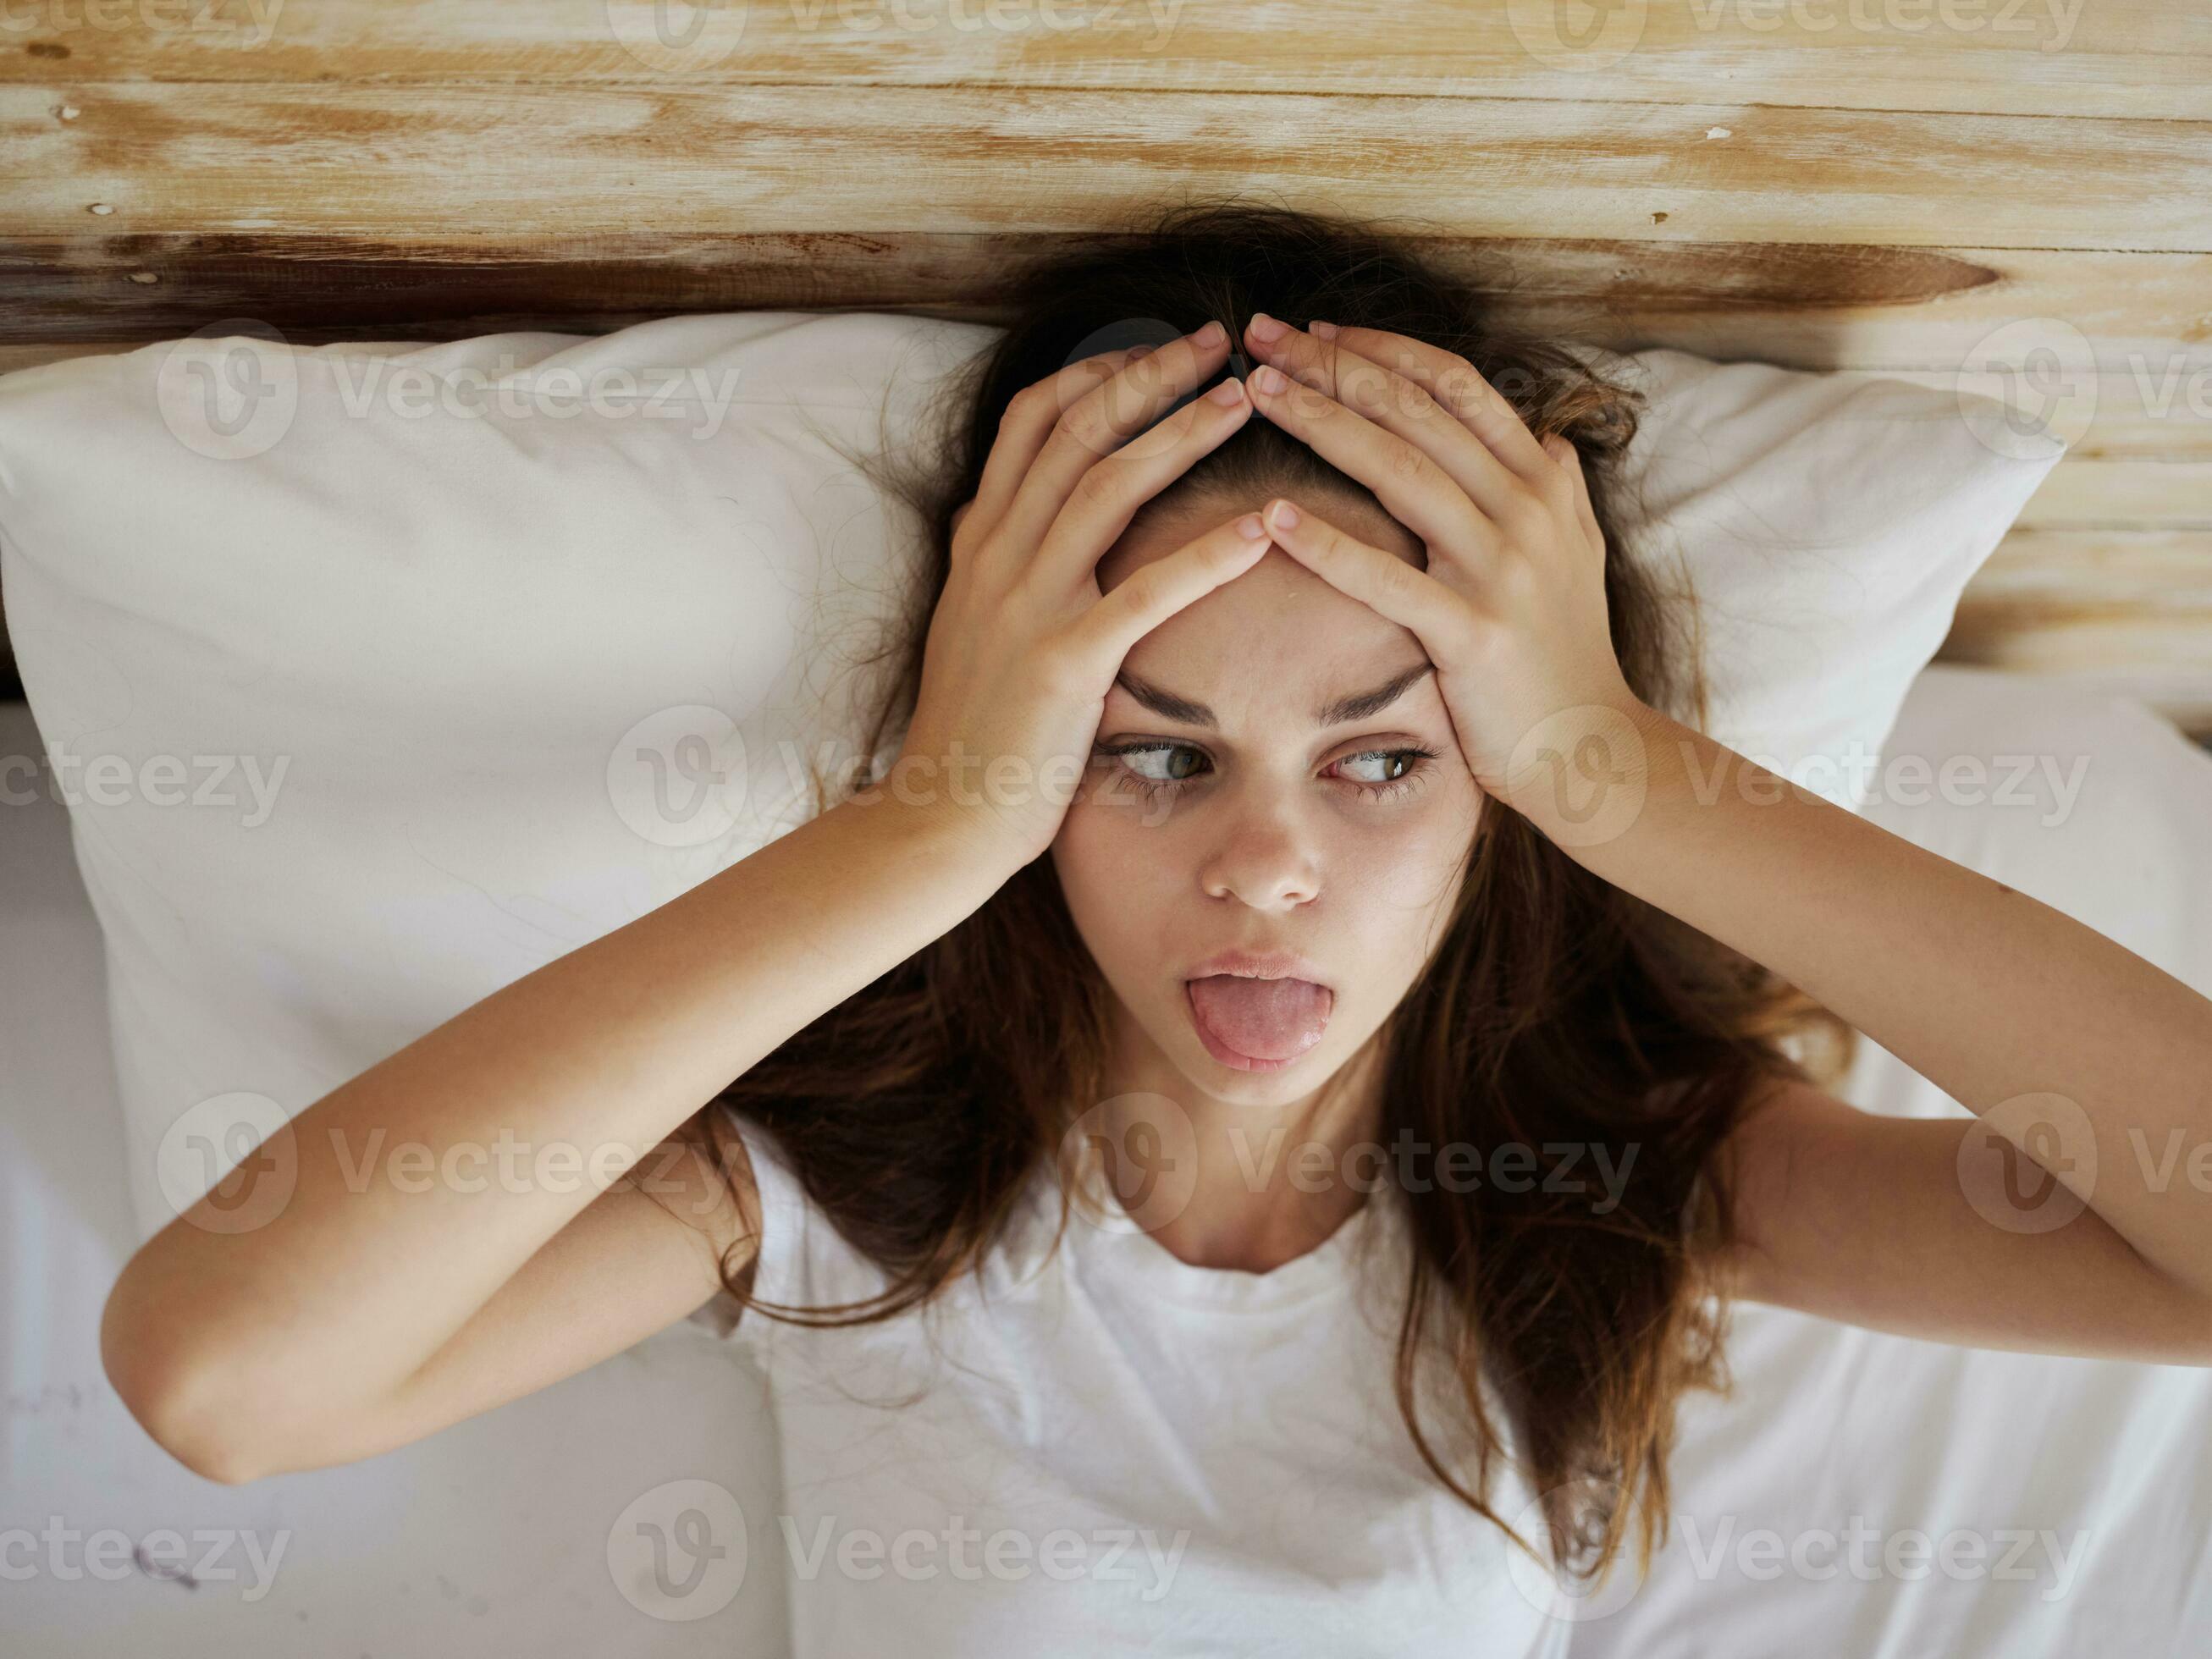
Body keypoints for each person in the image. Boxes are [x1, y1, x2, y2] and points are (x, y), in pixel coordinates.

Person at [102, 201, 2212, 1654]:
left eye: (1384, 757)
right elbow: (224, 1382)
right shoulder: (864, 1195)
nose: (1264, 867)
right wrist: (922, 827)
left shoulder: (1609, 1178)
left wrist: (1617, 770)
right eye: (1152, 753)